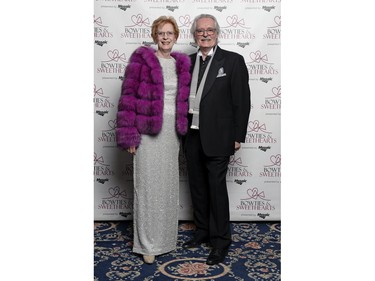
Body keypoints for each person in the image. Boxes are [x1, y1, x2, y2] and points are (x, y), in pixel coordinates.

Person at [116, 16, 191, 264]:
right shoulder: (142, 61)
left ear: (176, 36)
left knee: (167, 187)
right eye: (161, 33)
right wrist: (129, 135)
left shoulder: (182, 64)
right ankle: (147, 244)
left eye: (170, 33)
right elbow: (127, 99)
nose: (166, 37)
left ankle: (166, 240)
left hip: (171, 134)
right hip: (147, 133)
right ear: (154, 36)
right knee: (147, 188)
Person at [182, 14, 251, 265]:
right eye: (200, 31)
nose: (205, 34)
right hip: (191, 135)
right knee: (198, 187)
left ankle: (220, 241)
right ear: (194, 35)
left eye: (210, 30)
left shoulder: (233, 61)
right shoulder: (187, 62)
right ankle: (202, 231)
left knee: (216, 190)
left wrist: (237, 135)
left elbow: (241, 101)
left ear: (217, 33)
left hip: (220, 137)